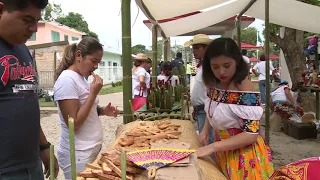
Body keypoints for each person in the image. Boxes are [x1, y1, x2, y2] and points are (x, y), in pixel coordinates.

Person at [196, 38, 274, 179]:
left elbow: (251, 135)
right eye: (215, 67)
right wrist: (206, 129)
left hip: (245, 157)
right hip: (223, 152)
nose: (221, 72)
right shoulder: (214, 83)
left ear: (237, 62)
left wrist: (212, 147)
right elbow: (212, 108)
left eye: (227, 65)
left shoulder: (244, 87)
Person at [0, 0, 59, 179]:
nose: (34, 29)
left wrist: (44, 146)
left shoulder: (23, 49)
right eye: (27, 19)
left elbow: (26, 101)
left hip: (31, 165)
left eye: (37, 21)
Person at [53, 37, 119, 180]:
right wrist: (93, 93)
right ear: (78, 55)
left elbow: (84, 109)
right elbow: (74, 124)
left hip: (88, 149)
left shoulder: (81, 77)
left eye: (98, 62)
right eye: (93, 61)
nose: (96, 66)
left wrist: (101, 111)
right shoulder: (67, 80)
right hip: (77, 153)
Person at [184, 34, 214, 144]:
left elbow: (213, 92)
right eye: (193, 48)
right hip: (200, 110)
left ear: (206, 48)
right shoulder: (202, 66)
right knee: (204, 141)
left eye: (197, 48)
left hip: (206, 111)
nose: (194, 51)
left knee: (207, 141)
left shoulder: (210, 67)